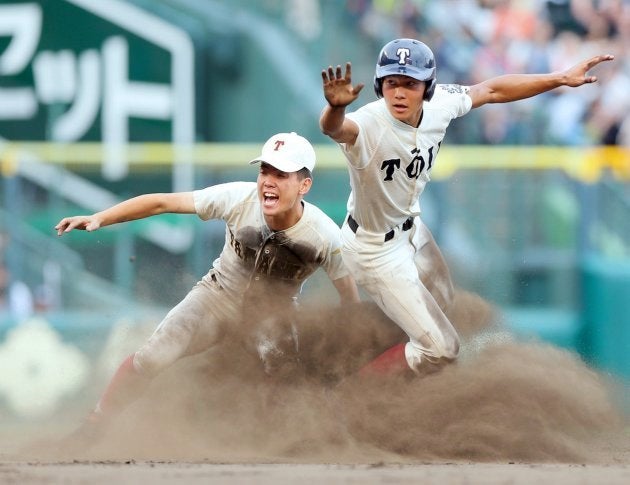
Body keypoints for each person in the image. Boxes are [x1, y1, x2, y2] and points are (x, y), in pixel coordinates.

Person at [320, 38, 614, 377]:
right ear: (380, 86)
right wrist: (335, 108)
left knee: (443, 300)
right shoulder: (369, 123)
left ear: (428, 88)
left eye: (410, 84)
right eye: (391, 83)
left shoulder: (441, 104)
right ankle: (351, 395)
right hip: (373, 249)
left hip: (410, 228)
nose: (399, 93)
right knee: (443, 349)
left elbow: (492, 90)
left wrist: (559, 78)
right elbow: (336, 129)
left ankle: (381, 349)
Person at [54, 131, 359, 443]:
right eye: (264, 170)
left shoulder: (324, 235)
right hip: (216, 297)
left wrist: (340, 349)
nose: (269, 180)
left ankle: (291, 444)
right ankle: (95, 425)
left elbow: (349, 299)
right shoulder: (238, 198)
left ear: (304, 185)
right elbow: (162, 203)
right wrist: (100, 218)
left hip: (273, 315)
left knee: (285, 386)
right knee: (153, 356)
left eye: (281, 174)